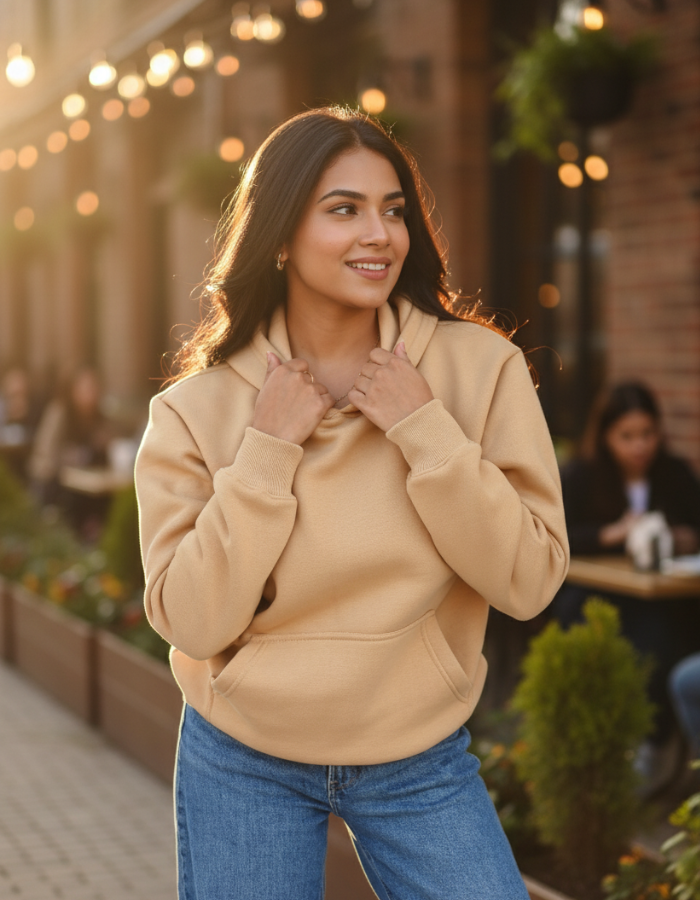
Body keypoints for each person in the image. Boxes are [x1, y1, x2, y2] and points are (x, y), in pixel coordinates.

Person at [135, 107, 569, 900]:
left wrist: (425, 431)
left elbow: (531, 579)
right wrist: (267, 451)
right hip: (243, 755)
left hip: (419, 753)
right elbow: (189, 620)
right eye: (344, 209)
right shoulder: (194, 411)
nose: (380, 234)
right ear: (279, 235)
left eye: (393, 209)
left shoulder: (480, 369)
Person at [553, 381, 700, 791]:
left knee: (665, 634)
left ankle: (656, 742)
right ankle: (629, 744)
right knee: (613, 628)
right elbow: (556, 535)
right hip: (603, 594)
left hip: (663, 595)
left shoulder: (674, 473)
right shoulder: (582, 477)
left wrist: (687, 537)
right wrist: (610, 534)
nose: (640, 447)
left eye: (647, 434)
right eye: (627, 437)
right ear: (605, 437)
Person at [29, 366, 113, 537]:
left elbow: (108, 449)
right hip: (55, 483)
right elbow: (46, 454)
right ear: (73, 390)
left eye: (93, 387)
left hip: (87, 485)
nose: (91, 393)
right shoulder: (60, 413)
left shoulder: (98, 416)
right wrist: (71, 456)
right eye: (85, 388)